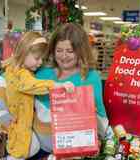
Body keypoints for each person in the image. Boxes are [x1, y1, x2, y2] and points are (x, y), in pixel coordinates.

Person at [0, 32, 73, 160]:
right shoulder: (21, 74)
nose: (40, 62)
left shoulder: (18, 71)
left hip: (22, 122)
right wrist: (57, 86)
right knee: (27, 148)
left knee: (32, 147)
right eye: (37, 58)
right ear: (24, 53)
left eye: (42, 58)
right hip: (17, 123)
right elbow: (30, 85)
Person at [33, 23, 114, 153]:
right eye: (59, 50)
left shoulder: (90, 77)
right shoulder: (41, 73)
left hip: (73, 153)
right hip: (38, 150)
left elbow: (100, 117)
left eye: (70, 51)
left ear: (80, 51)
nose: (64, 56)